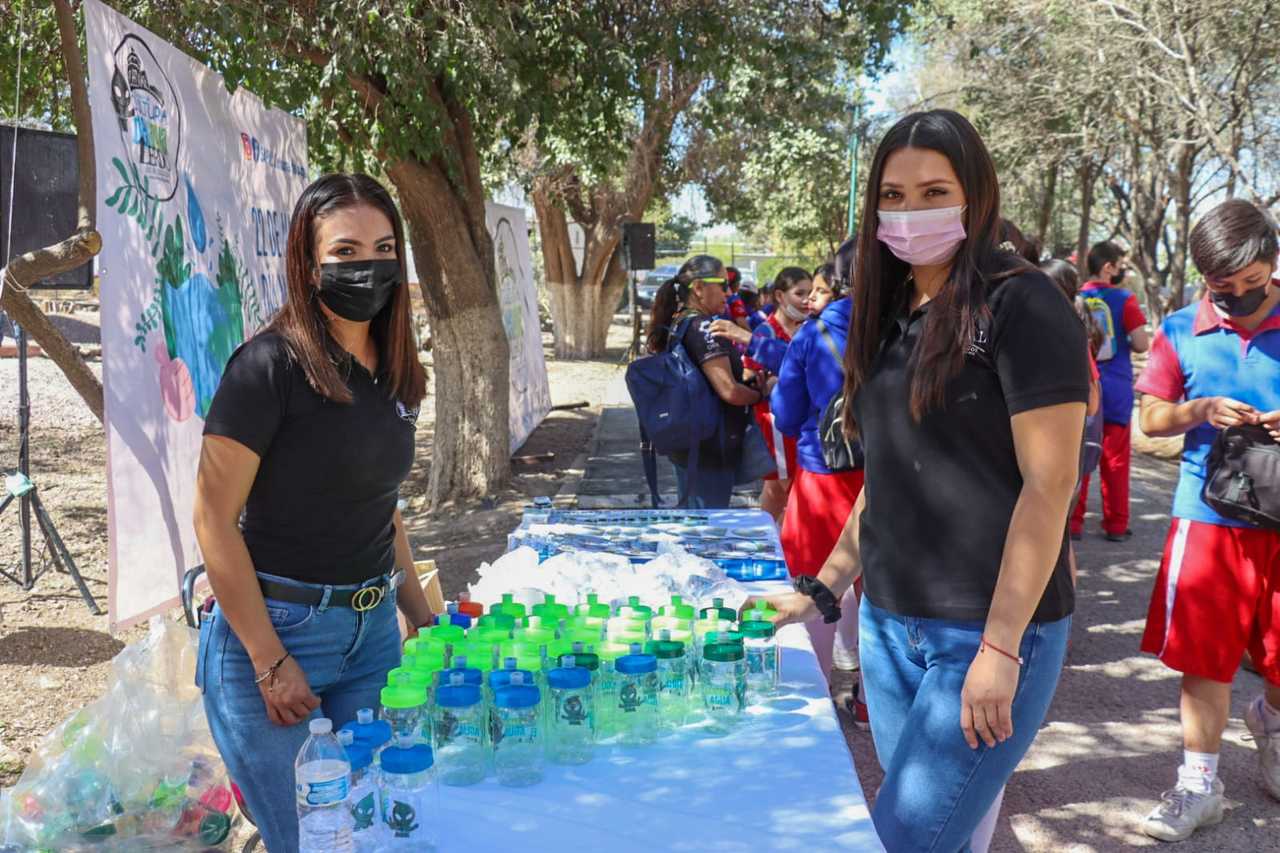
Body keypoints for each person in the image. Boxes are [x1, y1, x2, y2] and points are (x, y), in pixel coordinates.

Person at [751, 109, 1089, 850]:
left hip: (988, 631)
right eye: (894, 196)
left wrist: (1000, 646)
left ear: (976, 194)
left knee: (904, 838)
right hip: (887, 626)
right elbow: (891, 480)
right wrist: (821, 588)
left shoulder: (1022, 303)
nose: (911, 213)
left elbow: (1048, 485)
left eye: (935, 191)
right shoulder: (888, 309)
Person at [192, 173, 435, 851]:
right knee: (316, 840)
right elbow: (212, 520)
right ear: (308, 262)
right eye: (347, 251)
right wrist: (270, 660)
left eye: (384, 249)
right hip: (273, 636)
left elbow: (382, 510)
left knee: (378, 831)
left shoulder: (395, 372)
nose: (369, 267)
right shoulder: (265, 368)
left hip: (373, 639)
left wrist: (423, 617)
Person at [1134, 199, 1280, 842]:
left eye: (1257, 284)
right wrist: (1201, 409)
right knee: (1206, 658)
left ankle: (1271, 723)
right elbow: (1150, 421)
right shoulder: (1178, 328)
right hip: (1209, 517)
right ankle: (1200, 784)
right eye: (1228, 290)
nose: (1244, 298)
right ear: (1205, 279)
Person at [767, 243, 866, 720]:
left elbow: (785, 417)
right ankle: (873, 702)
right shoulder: (912, 328)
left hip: (823, 477)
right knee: (882, 594)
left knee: (812, 587)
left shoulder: (814, 334)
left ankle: (813, 706)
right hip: (892, 478)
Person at [646, 255, 767, 508]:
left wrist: (742, 375)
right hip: (708, 451)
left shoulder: (680, 321)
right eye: (723, 285)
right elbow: (730, 391)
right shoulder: (702, 327)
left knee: (696, 524)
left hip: (692, 445)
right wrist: (760, 394)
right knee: (706, 532)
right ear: (699, 288)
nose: (730, 293)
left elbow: (703, 375)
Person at [711, 267, 812, 524]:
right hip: (774, 421)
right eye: (799, 293)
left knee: (782, 488)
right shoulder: (765, 333)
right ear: (779, 295)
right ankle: (784, 544)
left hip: (804, 420)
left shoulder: (810, 329)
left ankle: (770, 537)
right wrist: (768, 383)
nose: (806, 300)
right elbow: (751, 377)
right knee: (785, 487)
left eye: (810, 293)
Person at [1072, 240, 1150, 542]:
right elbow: (1142, 344)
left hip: (1081, 386)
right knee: (1115, 461)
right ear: (1108, 267)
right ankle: (1116, 525)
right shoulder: (1124, 299)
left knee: (1078, 457)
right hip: (1114, 389)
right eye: (1120, 266)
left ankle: (1073, 522)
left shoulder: (1075, 296)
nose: (1122, 271)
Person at [1040, 257, 1103, 587]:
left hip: (1062, 452)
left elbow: (1091, 403)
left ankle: (1059, 622)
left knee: (1054, 536)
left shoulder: (1070, 336)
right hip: (1051, 451)